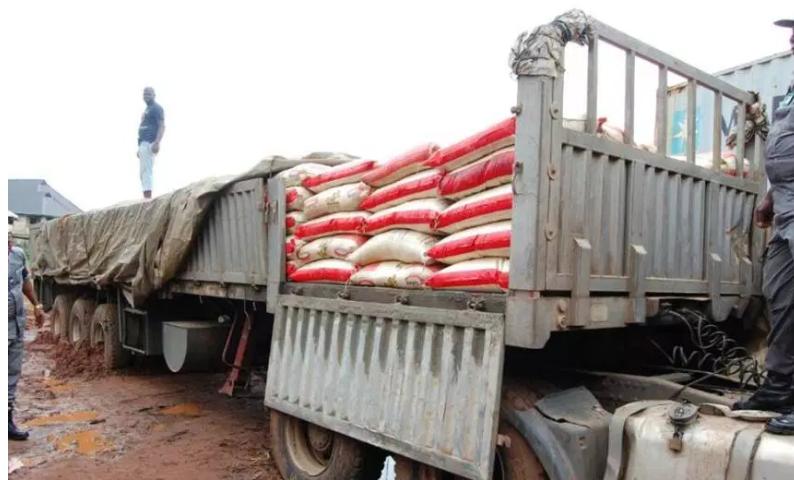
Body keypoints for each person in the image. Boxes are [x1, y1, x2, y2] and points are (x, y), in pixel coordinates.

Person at [732, 18, 794, 435]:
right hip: (788, 209)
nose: (791, 38)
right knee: (781, 295)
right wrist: (772, 197)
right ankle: (780, 385)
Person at [8, 227, 44, 440]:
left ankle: (7, 423)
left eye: (10, 238)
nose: (9, 243)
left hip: (15, 326)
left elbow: (25, 282)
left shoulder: (18, 255)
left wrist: (37, 305)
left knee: (11, 375)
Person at [137, 86, 165, 199]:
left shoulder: (156, 108)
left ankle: (147, 199)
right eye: (144, 93)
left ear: (154, 95)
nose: (146, 95)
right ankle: (146, 196)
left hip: (150, 143)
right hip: (143, 143)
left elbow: (162, 125)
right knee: (142, 172)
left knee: (146, 171)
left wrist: (157, 142)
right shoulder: (147, 109)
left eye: (149, 93)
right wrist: (139, 146)